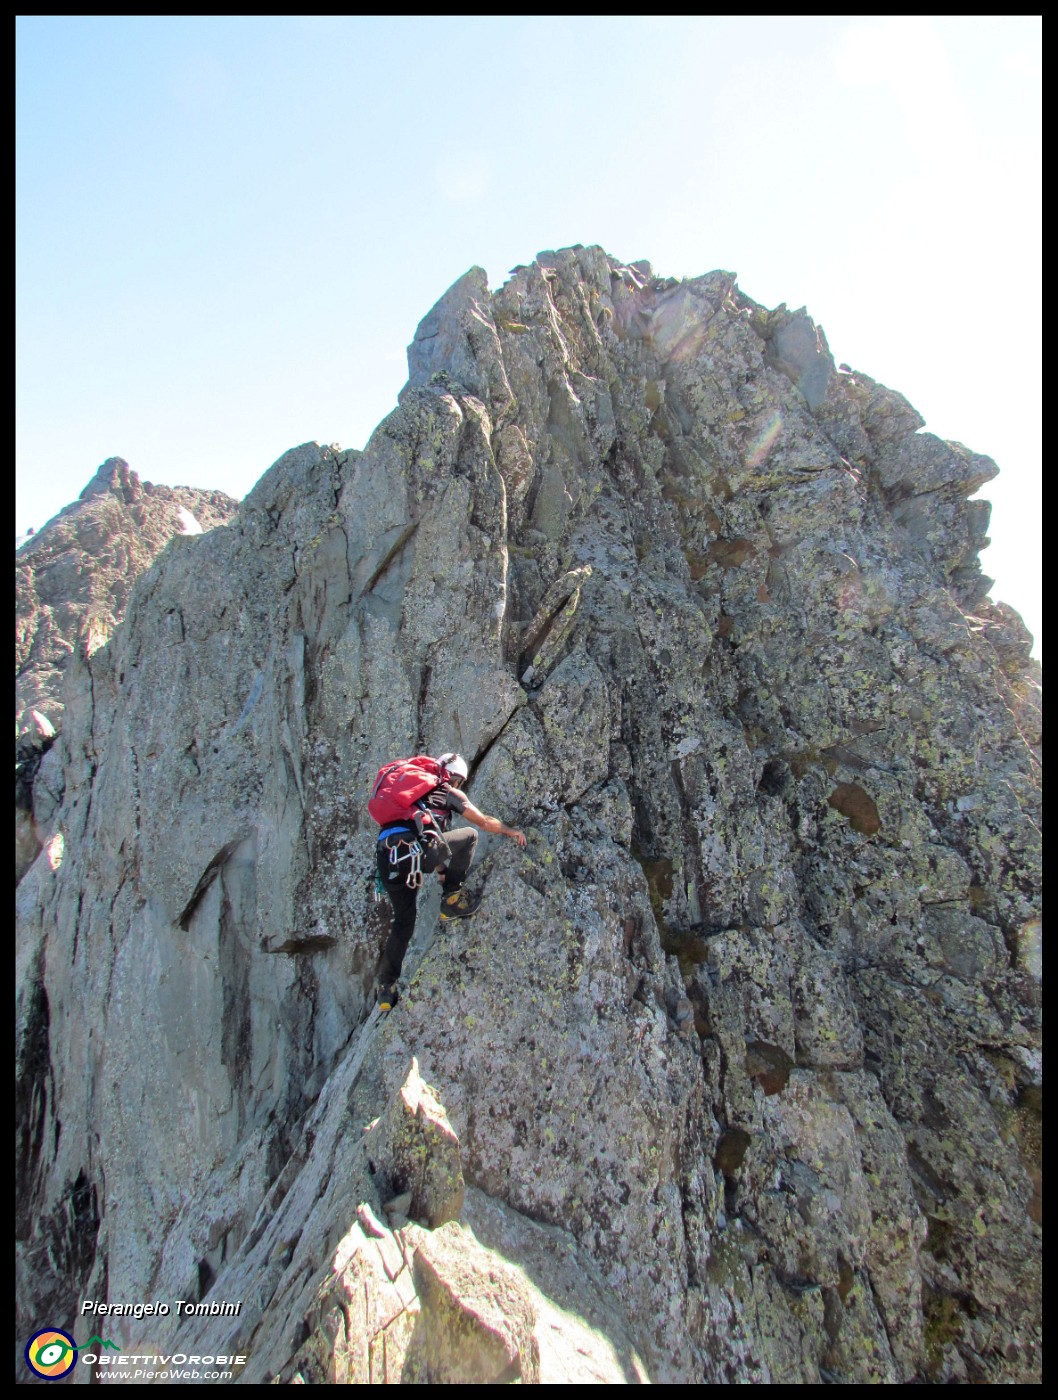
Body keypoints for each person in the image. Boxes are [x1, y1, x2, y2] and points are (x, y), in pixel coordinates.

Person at [375, 752, 526, 1011]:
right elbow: (482, 822)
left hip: (387, 857)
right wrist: (510, 830)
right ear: (453, 777)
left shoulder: (413, 795)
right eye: (458, 782)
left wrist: (442, 870)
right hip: (415, 852)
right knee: (469, 836)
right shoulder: (444, 791)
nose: (458, 786)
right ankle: (453, 898)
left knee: (403, 922)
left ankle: (386, 988)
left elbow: (431, 841)